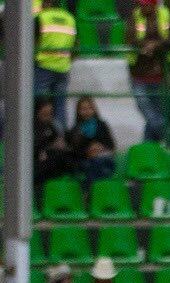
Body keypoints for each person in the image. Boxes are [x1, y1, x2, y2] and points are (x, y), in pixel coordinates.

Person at [127, 0, 170, 143]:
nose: (142, 7)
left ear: (154, 5)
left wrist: (155, 45)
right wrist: (145, 45)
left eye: (146, 4)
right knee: (148, 112)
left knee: (158, 113)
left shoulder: (166, 15)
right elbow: (129, 38)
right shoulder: (134, 16)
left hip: (161, 73)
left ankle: (148, 149)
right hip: (138, 73)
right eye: (141, 4)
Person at [34, 0, 76, 131]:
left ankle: (37, 135)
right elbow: (76, 45)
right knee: (60, 106)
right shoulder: (70, 18)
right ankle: (60, 138)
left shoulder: (41, 17)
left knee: (37, 104)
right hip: (63, 68)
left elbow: (33, 42)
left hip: (43, 67)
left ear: (47, 3)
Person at [62, 97, 115, 184]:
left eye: (89, 108)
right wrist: (88, 152)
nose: (87, 111)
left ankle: (88, 192)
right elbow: (73, 151)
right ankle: (91, 193)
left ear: (94, 109)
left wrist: (100, 147)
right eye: (83, 109)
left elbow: (111, 145)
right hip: (85, 160)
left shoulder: (102, 125)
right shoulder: (75, 130)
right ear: (78, 111)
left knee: (99, 164)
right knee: (92, 166)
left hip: (103, 159)